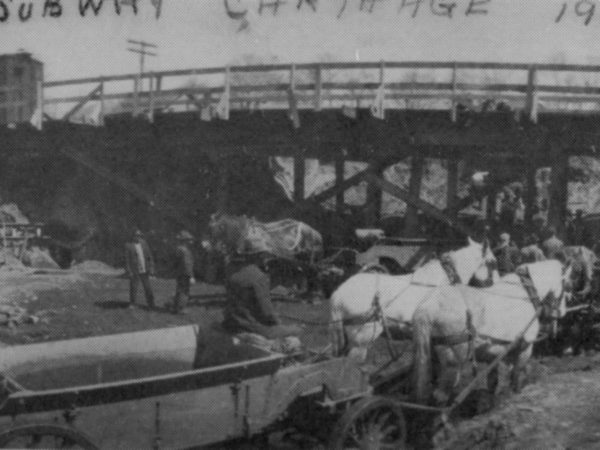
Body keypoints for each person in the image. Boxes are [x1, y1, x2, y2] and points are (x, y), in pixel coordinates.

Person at [222, 240, 300, 339]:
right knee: (297, 330)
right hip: (251, 327)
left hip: (231, 321)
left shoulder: (231, 269)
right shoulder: (258, 276)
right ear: (258, 255)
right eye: (265, 255)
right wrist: (278, 323)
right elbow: (267, 312)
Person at [125, 229, 155, 309]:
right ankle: (132, 303)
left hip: (145, 269)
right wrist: (129, 271)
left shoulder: (144, 243)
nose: (138, 237)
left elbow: (149, 256)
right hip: (135, 269)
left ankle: (151, 304)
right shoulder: (128, 245)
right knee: (134, 287)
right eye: (136, 236)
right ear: (133, 236)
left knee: (148, 287)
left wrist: (151, 267)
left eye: (139, 236)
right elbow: (127, 260)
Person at [172, 230, 195, 314]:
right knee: (184, 291)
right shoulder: (184, 250)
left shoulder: (178, 249)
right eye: (188, 240)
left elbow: (175, 263)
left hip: (180, 273)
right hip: (185, 273)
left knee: (179, 290)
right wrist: (191, 276)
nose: (190, 241)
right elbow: (187, 264)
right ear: (185, 240)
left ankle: (176, 307)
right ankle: (181, 308)